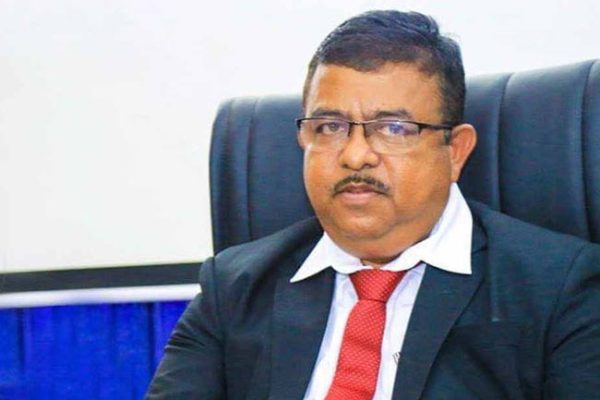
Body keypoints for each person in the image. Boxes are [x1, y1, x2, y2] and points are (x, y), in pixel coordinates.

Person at [146, 10, 600, 400]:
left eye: (393, 128)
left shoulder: (560, 289)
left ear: (455, 151)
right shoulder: (234, 287)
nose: (355, 155)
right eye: (329, 127)